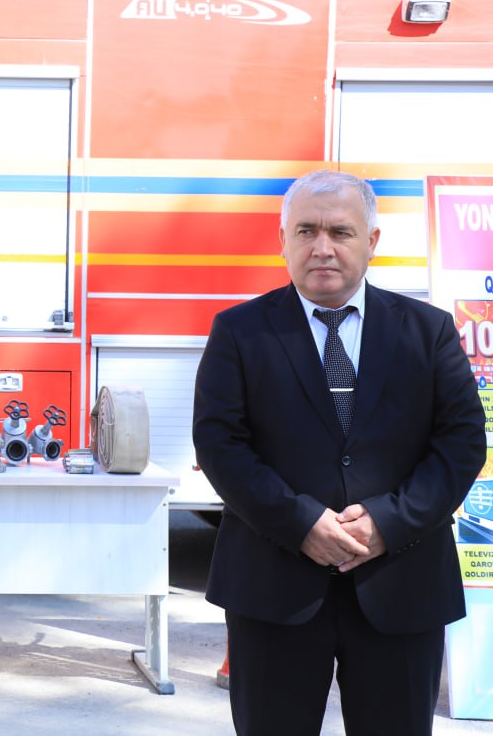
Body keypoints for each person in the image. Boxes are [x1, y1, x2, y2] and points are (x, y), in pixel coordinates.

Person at [193, 169, 486, 736]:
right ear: (283, 240)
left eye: (341, 232)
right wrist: (301, 523)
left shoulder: (428, 331)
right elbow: (221, 444)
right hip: (273, 588)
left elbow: (461, 440)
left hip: (401, 585)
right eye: (306, 231)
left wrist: (386, 523)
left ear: (371, 241)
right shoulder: (239, 332)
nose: (322, 247)